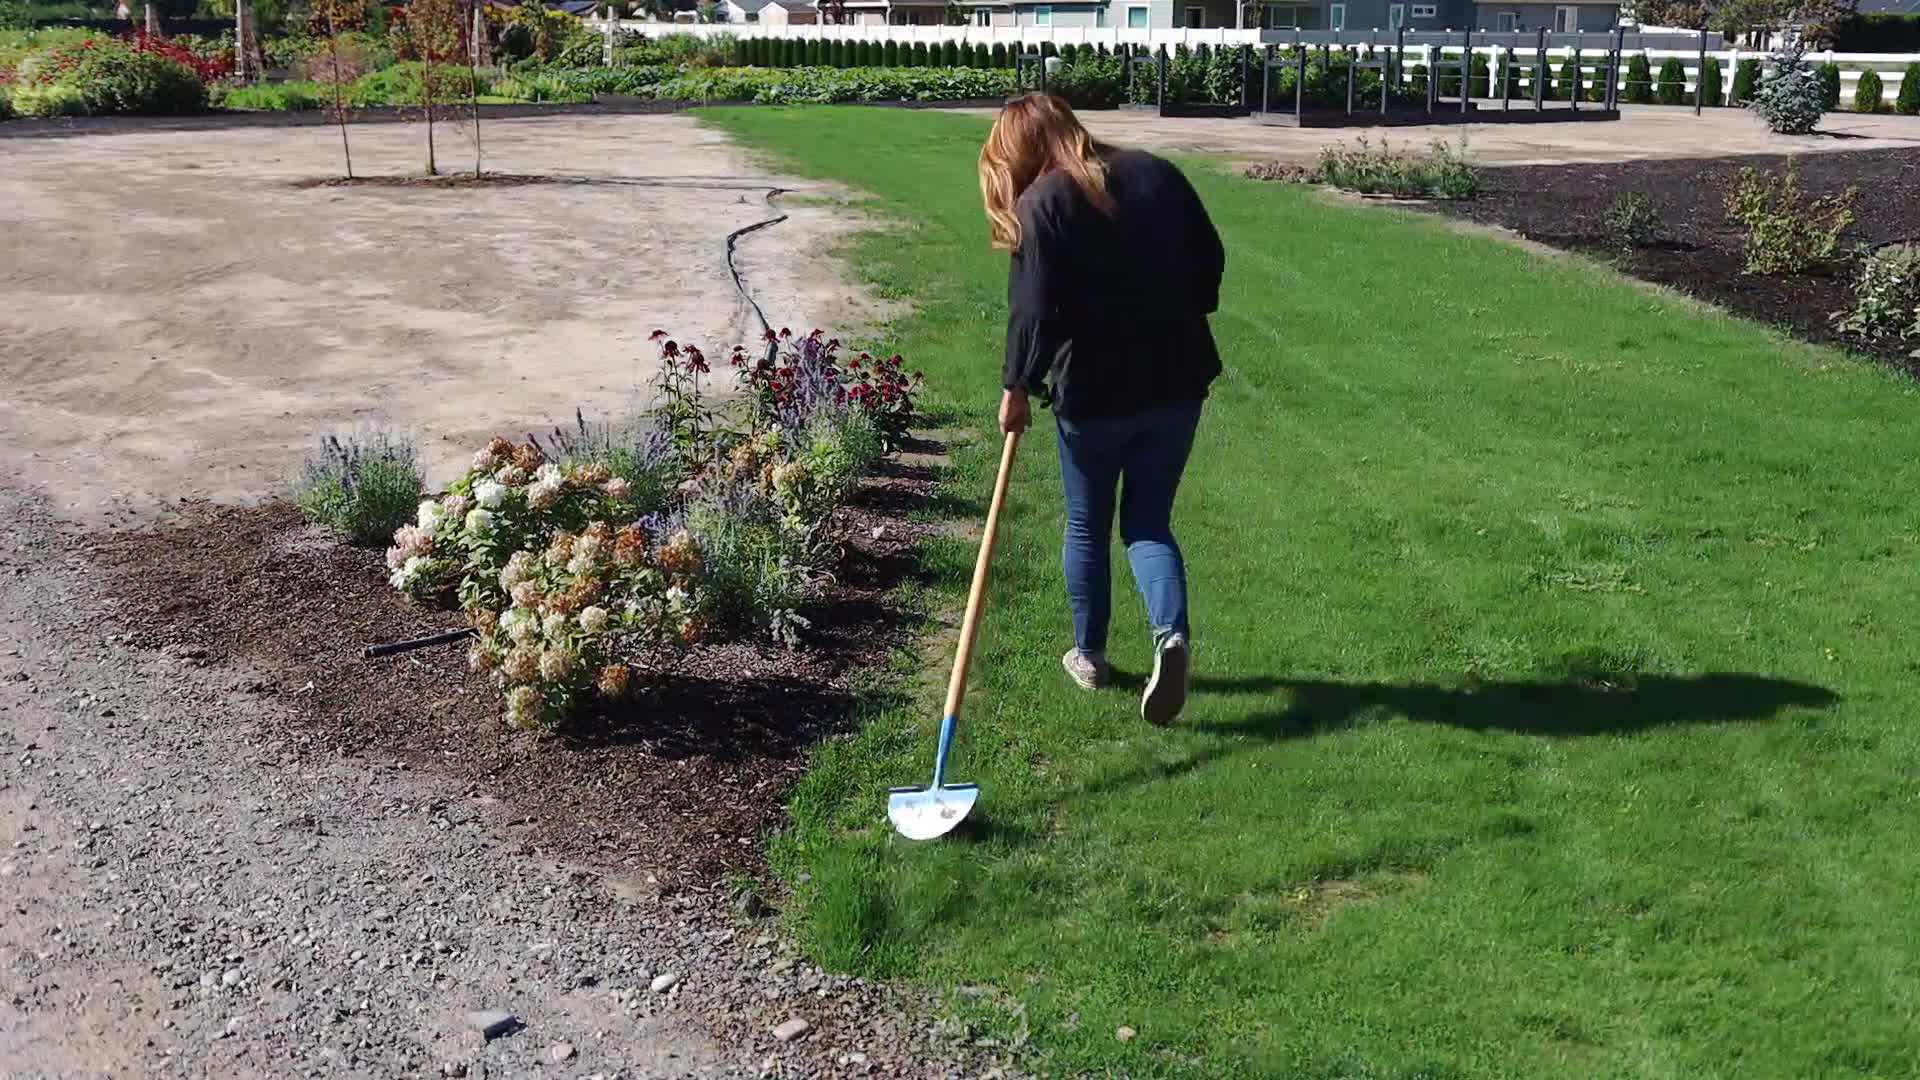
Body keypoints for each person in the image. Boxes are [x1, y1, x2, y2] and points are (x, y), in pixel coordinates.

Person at [978, 94, 1225, 726]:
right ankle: (1171, 635)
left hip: (1094, 394)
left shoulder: (1044, 204)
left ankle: (1089, 655)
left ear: (1019, 152)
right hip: (1177, 380)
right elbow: (1210, 257)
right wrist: (1178, 309)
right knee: (1148, 522)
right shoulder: (1155, 172)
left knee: (1087, 524)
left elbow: (1031, 312)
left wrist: (1016, 387)